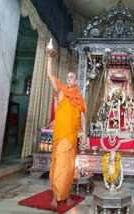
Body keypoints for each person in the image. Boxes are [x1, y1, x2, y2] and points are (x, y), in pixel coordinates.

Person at [46, 47, 87, 208]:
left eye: (71, 78)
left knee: (69, 167)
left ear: (76, 82)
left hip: (72, 136)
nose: (69, 79)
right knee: (59, 165)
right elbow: (49, 75)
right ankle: (56, 195)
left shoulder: (79, 98)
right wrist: (49, 57)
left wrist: (84, 134)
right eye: (67, 77)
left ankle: (67, 194)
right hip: (61, 135)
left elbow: (82, 116)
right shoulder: (61, 93)